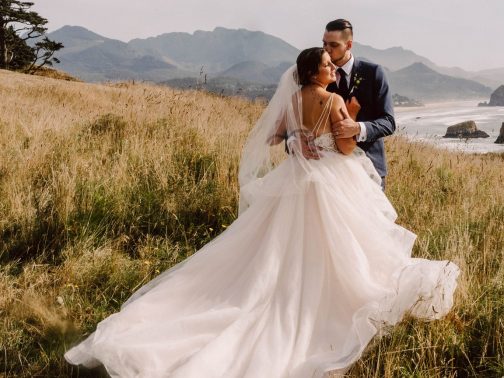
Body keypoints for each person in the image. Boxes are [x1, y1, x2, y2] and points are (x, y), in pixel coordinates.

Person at [64, 47, 458, 377]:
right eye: (326, 64)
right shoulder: (335, 100)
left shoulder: (289, 101)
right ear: (313, 72)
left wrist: (296, 141)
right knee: (343, 245)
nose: (331, 68)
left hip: (294, 180)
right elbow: (344, 148)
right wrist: (349, 117)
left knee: (275, 247)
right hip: (330, 181)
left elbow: (273, 137)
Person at [323, 18, 395, 187]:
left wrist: (357, 128)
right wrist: (296, 142)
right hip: (331, 171)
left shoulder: (374, 73)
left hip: (370, 169)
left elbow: (389, 122)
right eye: (324, 44)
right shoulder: (319, 76)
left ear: (348, 45)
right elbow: (299, 112)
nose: (327, 50)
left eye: (333, 45)